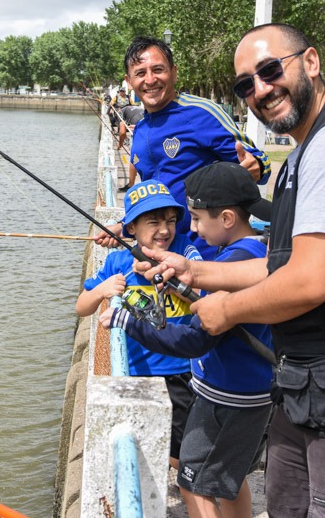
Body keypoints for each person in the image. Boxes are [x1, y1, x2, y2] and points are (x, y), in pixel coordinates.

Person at [136, 23, 325, 517]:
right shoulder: (304, 154)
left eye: (270, 71)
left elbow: (311, 279)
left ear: (310, 62)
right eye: (245, 85)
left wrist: (225, 311)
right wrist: (192, 270)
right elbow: (281, 264)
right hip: (309, 391)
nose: (261, 90)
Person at [100, 162, 273, 518]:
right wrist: (182, 282)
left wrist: (127, 321)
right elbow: (216, 299)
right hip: (253, 393)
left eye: (195, 218)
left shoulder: (235, 261)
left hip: (228, 398)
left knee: (194, 483)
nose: (191, 229)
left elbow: (194, 341)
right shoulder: (254, 252)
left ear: (226, 218)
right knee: (229, 479)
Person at [95, 36, 272, 258]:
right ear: (129, 81)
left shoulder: (200, 112)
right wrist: (123, 227)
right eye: (140, 73)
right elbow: (153, 194)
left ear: (174, 72)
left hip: (211, 255)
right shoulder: (139, 130)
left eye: (158, 70)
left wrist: (256, 166)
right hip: (167, 257)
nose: (150, 80)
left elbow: (260, 161)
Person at [76, 179, 201, 469]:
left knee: (181, 452)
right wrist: (102, 289)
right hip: (137, 372)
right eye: (153, 222)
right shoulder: (118, 262)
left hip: (182, 370)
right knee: (143, 445)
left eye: (171, 221)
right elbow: (81, 307)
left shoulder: (185, 249)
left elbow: (199, 280)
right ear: (130, 228)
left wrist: (166, 277)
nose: (165, 230)